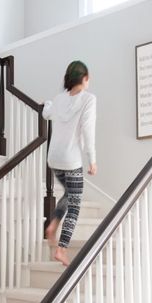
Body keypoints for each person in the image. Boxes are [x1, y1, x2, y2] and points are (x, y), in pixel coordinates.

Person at [43, 60, 97, 266]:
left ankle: (53, 224)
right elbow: (88, 130)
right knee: (75, 204)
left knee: (69, 193)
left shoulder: (58, 99)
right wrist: (92, 159)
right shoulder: (88, 99)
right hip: (71, 159)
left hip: (54, 158)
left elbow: (46, 113)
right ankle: (62, 249)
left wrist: (48, 103)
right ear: (84, 79)